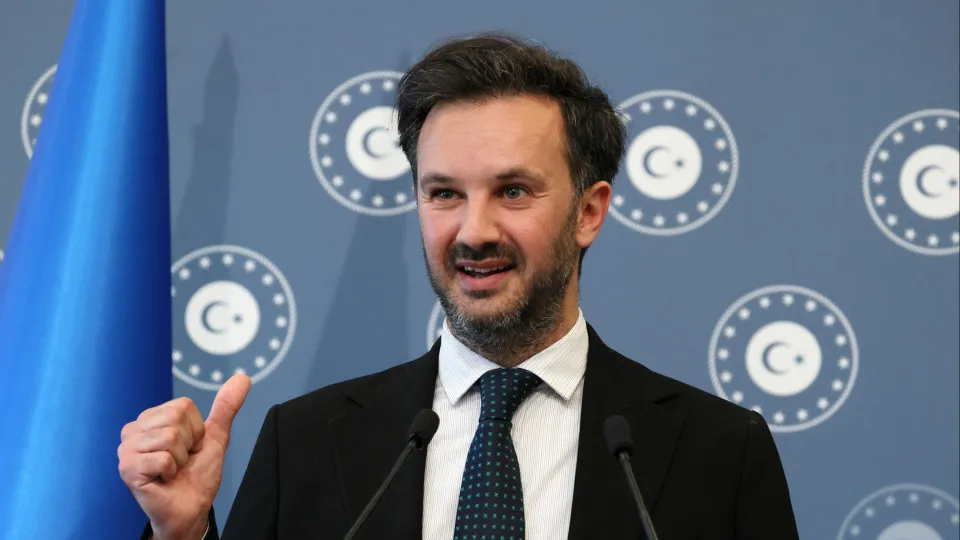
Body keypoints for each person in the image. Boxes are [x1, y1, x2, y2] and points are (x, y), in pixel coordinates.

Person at [118, 32, 800, 540]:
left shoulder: (719, 451)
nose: (474, 231)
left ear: (589, 212)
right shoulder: (303, 443)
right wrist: (182, 534)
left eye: (513, 191)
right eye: (444, 193)